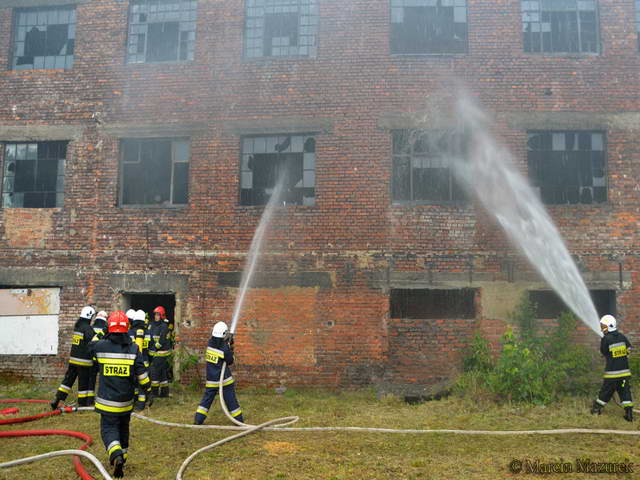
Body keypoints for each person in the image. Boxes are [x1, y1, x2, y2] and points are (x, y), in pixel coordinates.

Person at [92, 310, 151, 478]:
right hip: (125, 402)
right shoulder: (133, 348)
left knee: (109, 429)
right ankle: (122, 459)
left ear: (109, 327)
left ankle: (116, 454)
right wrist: (148, 391)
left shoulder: (100, 346)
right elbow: (142, 375)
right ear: (127, 328)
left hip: (107, 402)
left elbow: (89, 346)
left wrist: (102, 332)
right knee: (123, 429)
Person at [194, 321, 244, 425]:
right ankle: (239, 420)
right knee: (231, 400)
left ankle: (198, 419)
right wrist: (230, 349)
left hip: (211, 378)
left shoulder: (210, 343)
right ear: (223, 334)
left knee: (206, 400)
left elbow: (220, 348)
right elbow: (230, 361)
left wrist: (227, 344)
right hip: (224, 379)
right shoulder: (224, 348)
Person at [51, 306, 97, 409]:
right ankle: (82, 404)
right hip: (84, 362)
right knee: (83, 383)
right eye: (92, 316)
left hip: (73, 361)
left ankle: (57, 400)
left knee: (67, 381)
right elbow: (93, 342)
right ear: (89, 316)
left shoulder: (78, 326)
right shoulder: (87, 328)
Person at [591, 314, 634, 422]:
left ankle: (596, 409)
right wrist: (623, 355)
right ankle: (629, 414)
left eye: (603, 326)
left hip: (612, 375)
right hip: (624, 374)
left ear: (609, 326)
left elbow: (604, 352)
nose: (602, 329)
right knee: (625, 392)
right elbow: (629, 348)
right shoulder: (622, 337)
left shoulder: (606, 339)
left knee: (606, 392)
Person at [148, 306, 172, 398]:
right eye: (155, 315)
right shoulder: (151, 325)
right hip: (155, 354)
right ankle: (164, 393)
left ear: (162, 316)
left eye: (158, 315)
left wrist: (153, 349)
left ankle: (154, 393)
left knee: (155, 373)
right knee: (162, 374)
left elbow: (161, 342)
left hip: (161, 354)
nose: (156, 316)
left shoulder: (164, 326)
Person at [129, 309, 149, 410]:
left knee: (133, 382)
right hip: (145, 362)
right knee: (142, 384)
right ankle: (141, 404)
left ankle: (134, 401)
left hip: (132, 362)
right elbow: (151, 348)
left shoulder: (130, 332)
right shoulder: (147, 332)